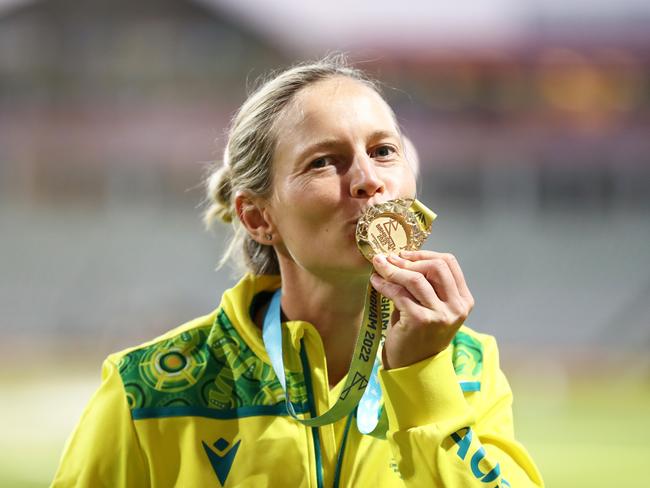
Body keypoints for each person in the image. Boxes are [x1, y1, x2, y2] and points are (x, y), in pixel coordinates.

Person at [52, 56, 544, 487]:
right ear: (258, 218)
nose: (369, 180)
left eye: (383, 151)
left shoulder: (468, 367)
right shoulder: (147, 390)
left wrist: (423, 381)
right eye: (324, 162)